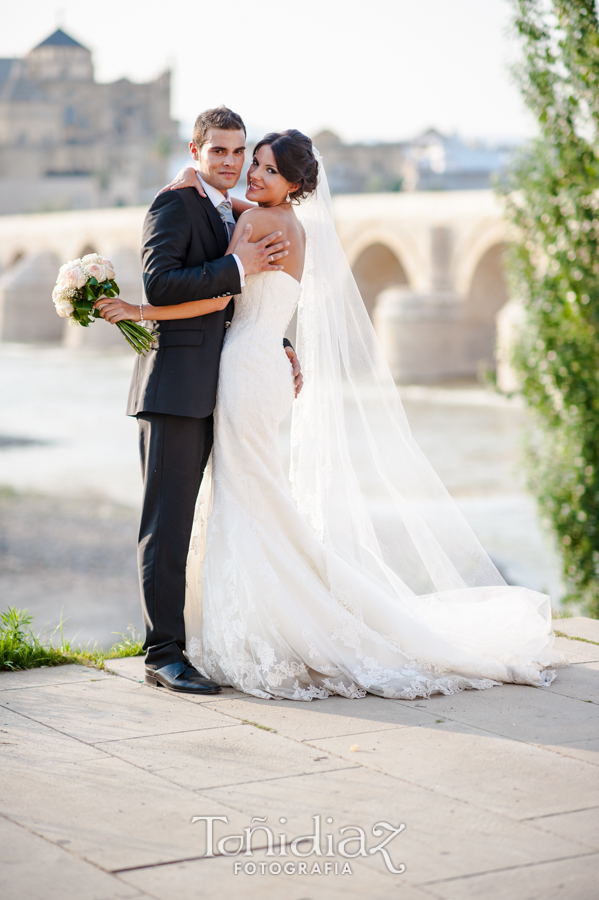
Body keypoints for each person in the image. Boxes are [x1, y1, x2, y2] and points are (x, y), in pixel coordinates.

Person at [98, 128, 565, 701]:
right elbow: (246, 267)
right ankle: (221, 633)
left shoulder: (253, 224)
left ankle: (214, 639)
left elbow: (222, 297)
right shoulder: (281, 220)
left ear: (292, 183)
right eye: (239, 159)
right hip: (254, 365)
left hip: (244, 371)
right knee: (252, 499)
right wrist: (279, 340)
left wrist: (137, 309)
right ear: (197, 151)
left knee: (246, 500)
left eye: (260, 164)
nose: (249, 172)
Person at [107, 107, 302, 695]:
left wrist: (278, 340)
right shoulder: (173, 204)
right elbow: (160, 283)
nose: (231, 162)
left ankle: (199, 639)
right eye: (218, 151)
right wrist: (234, 267)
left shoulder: (226, 209)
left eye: (238, 152)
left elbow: (240, 302)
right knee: (167, 525)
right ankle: (162, 654)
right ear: (195, 150)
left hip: (219, 387)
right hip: (174, 387)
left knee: (202, 523)